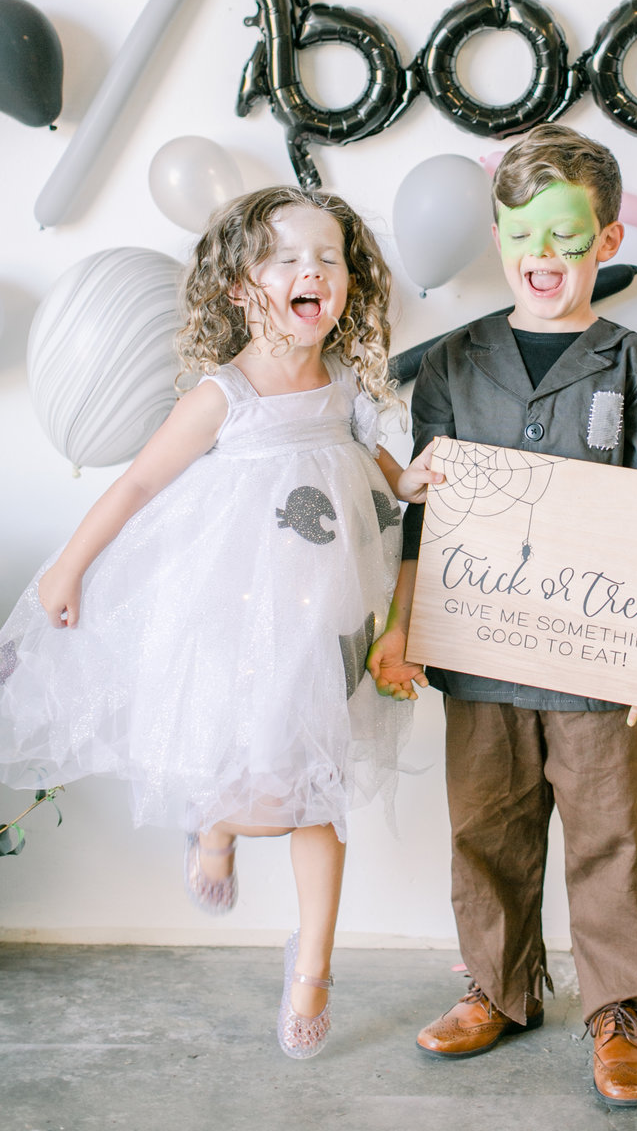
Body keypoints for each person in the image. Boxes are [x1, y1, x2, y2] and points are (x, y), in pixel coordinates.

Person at [0, 185, 436, 1060]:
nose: (314, 270)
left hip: (327, 622)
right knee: (254, 785)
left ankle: (311, 969)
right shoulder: (223, 394)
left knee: (318, 798)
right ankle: (218, 827)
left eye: (329, 258)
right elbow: (137, 482)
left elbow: (376, 462)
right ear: (241, 288)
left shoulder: (345, 384)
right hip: (238, 620)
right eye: (289, 259)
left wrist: (409, 480)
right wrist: (69, 566)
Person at [368, 123, 637, 1106]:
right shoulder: (452, 366)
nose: (541, 257)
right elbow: (425, 518)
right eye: (521, 236)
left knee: (607, 833)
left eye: (565, 236)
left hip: (595, 662)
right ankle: (496, 989)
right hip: (477, 650)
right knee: (485, 826)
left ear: (607, 239)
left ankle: (617, 1009)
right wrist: (400, 623)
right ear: (498, 237)